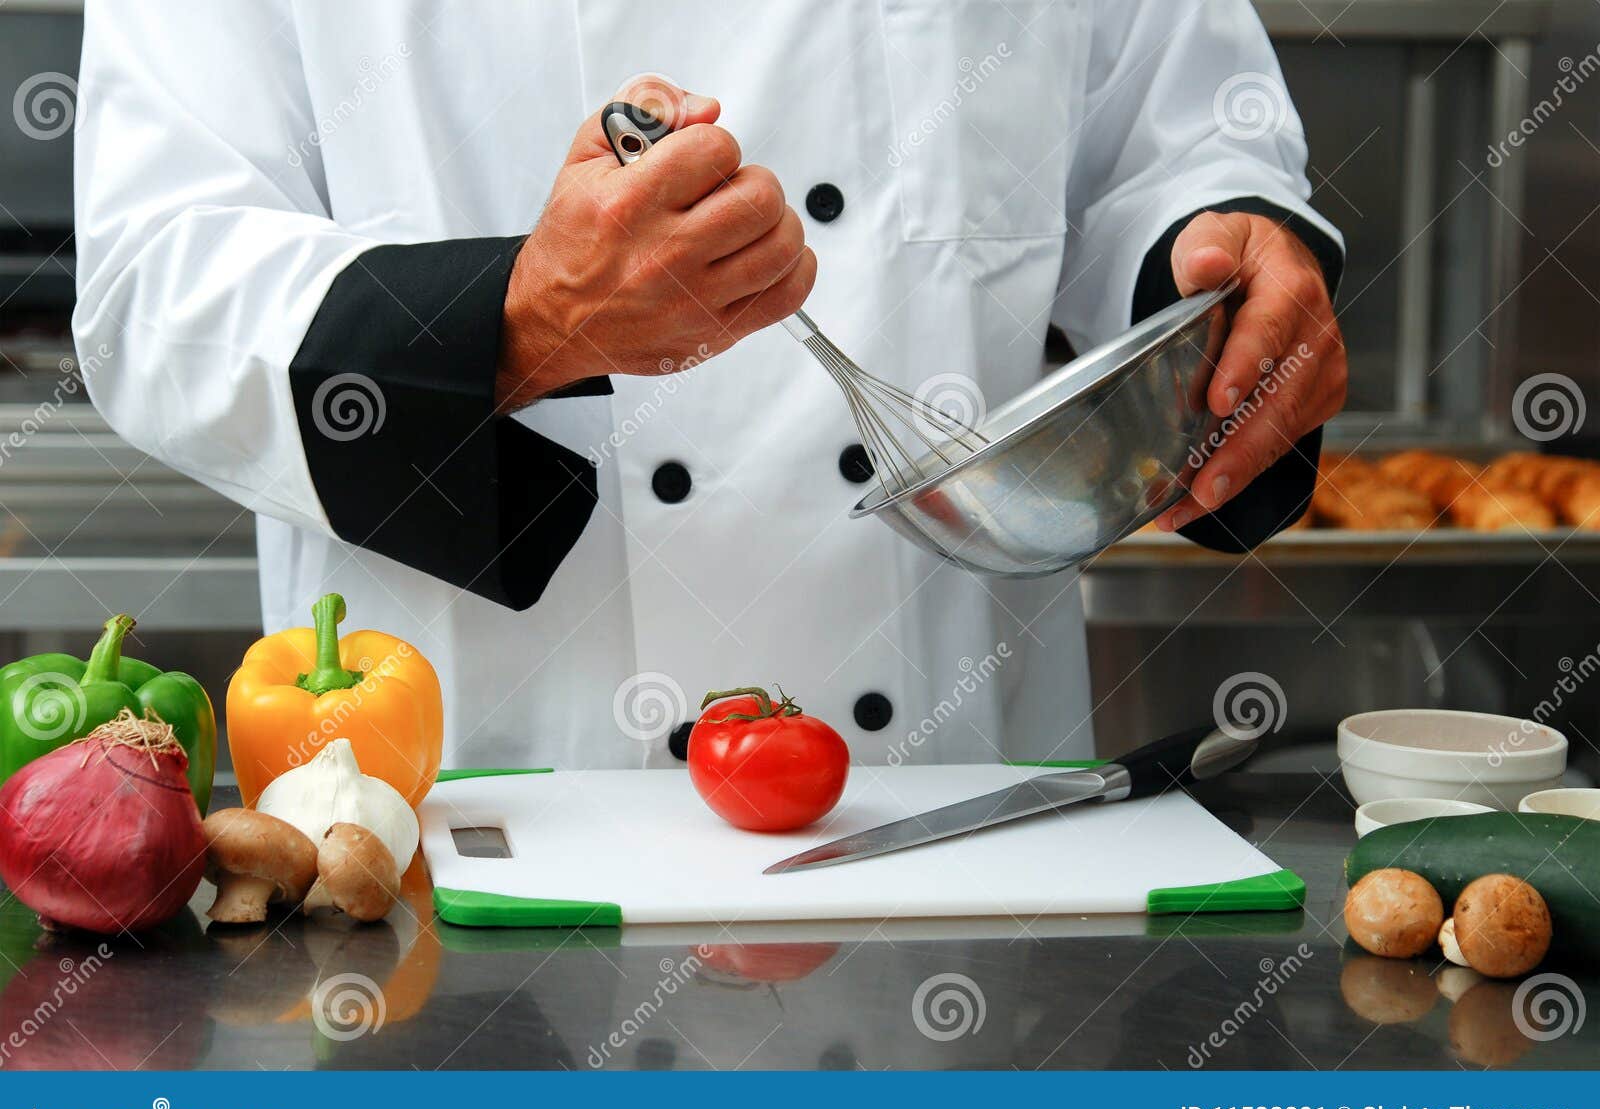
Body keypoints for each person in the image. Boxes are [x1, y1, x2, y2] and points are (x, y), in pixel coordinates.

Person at [74, 1, 1346, 770]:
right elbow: (155, 279)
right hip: (474, 798)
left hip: (959, 806)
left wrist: (1222, 263)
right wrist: (523, 319)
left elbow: (1180, 139)